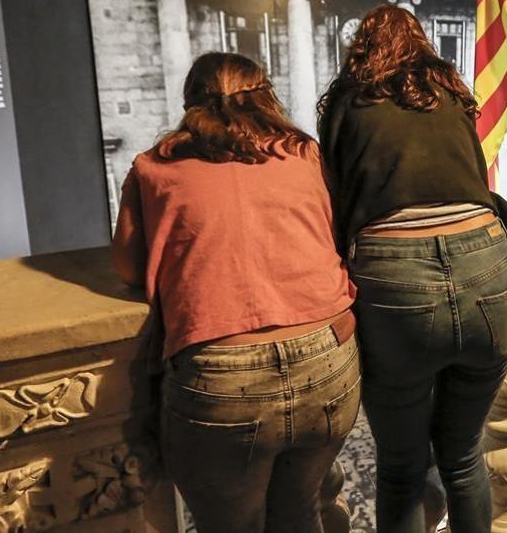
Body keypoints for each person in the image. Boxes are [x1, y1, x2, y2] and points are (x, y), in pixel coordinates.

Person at [110, 52, 360, 533]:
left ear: (191, 103)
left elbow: (127, 266)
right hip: (327, 359)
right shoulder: (304, 153)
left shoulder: (153, 168)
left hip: (220, 376)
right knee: (300, 512)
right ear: (266, 96)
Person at [317, 3, 507, 533]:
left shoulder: (348, 100)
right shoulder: (450, 92)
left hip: (396, 279)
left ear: (361, 45)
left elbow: (338, 199)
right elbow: (469, 180)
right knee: (462, 457)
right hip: (485, 261)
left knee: (401, 469)